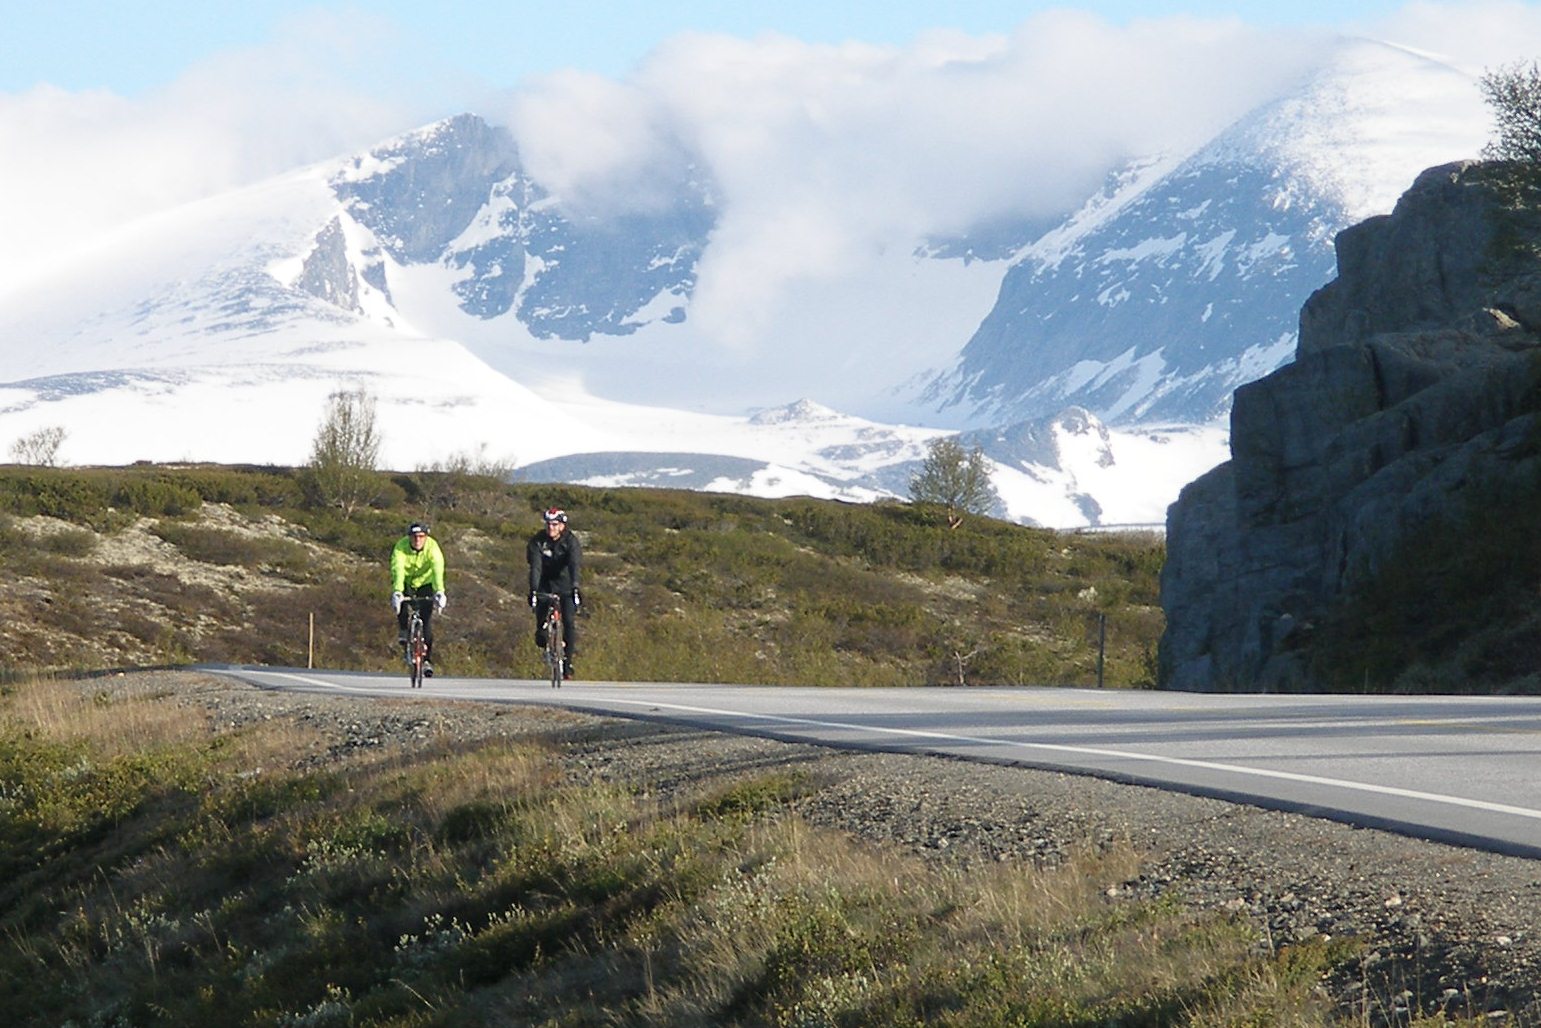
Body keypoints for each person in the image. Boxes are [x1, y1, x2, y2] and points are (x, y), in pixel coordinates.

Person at [528, 506, 581, 680]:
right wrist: (534, 590)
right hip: (544, 584)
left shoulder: (571, 542)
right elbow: (535, 567)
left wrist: (575, 587)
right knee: (541, 633)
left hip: (565, 585)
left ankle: (567, 663)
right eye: (548, 524)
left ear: (562, 526)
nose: (551, 528)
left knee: (569, 622)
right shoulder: (537, 541)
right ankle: (546, 641)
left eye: (555, 524)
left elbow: (574, 565)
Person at [390, 521, 446, 676]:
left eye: (421, 537)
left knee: (426, 621)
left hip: (426, 583)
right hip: (406, 581)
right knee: (401, 603)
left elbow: (437, 569)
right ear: (409, 537)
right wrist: (397, 591)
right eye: (414, 537)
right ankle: (403, 629)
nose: (418, 540)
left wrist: (440, 591)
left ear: (426, 537)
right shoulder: (400, 547)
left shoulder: (433, 548)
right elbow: (398, 569)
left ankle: (427, 660)